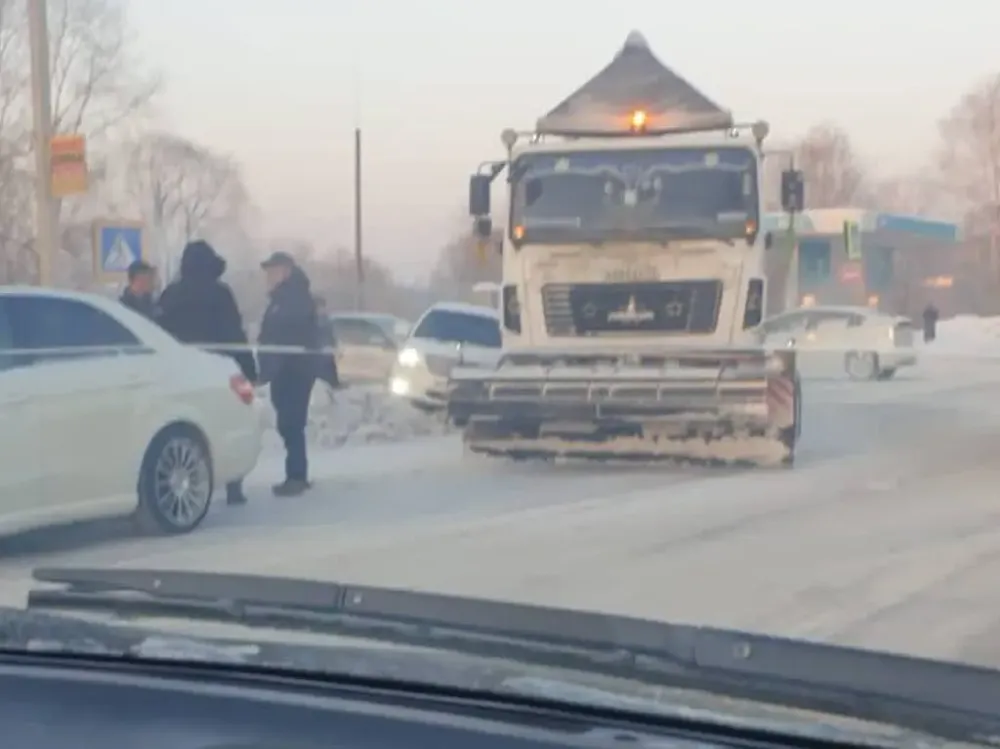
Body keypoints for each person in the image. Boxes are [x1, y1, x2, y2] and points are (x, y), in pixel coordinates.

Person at [157, 240, 258, 506]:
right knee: (228, 424)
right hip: (219, 373)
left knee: (183, 427)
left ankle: (183, 483)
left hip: (179, 373)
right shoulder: (220, 294)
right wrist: (248, 369)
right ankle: (233, 484)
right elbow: (233, 334)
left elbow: (159, 333)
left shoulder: (170, 295)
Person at [257, 251, 320, 497]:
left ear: (286, 270)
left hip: (295, 370)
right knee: (288, 423)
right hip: (282, 371)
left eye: (272, 270)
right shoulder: (279, 299)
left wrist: (274, 364)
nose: (269, 276)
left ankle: (296, 476)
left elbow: (288, 334)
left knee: (291, 422)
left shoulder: (295, 298)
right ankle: (296, 474)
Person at [313, 296, 341, 390]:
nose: (322, 310)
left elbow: (331, 334)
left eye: (323, 307)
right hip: (317, 352)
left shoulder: (326, 320)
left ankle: (333, 384)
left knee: (329, 369)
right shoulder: (313, 320)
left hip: (326, 352)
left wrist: (334, 345)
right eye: (320, 307)